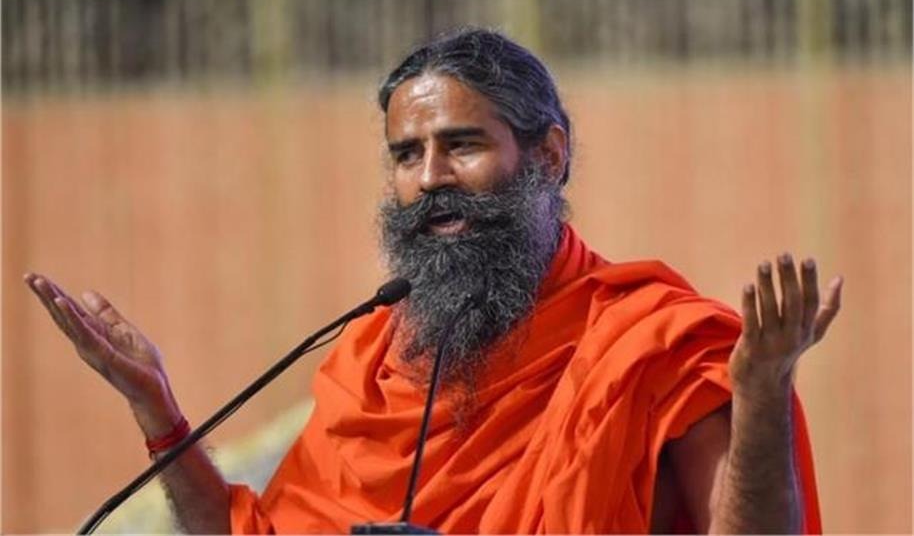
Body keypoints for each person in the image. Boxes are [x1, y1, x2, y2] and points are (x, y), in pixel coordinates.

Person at [24, 28, 843, 534]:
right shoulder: (370, 360)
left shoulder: (657, 346)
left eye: (462, 145)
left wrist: (762, 392)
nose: (430, 179)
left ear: (548, 155)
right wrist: (158, 411)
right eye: (407, 155)